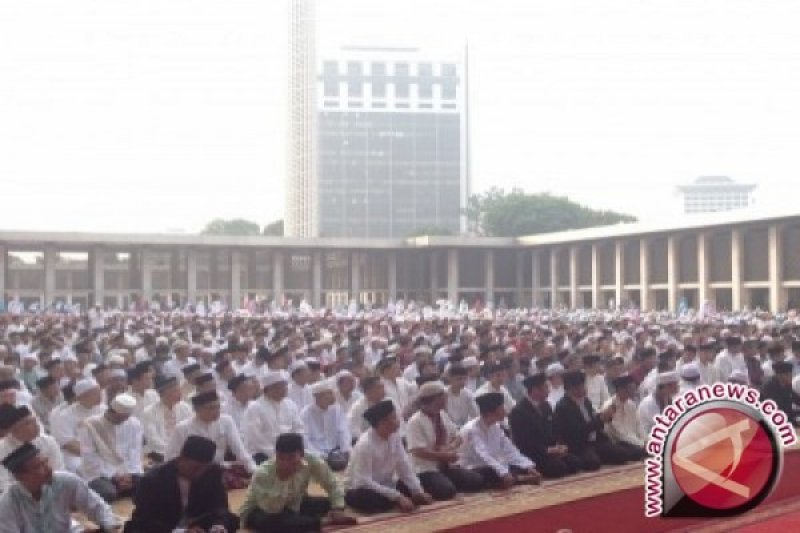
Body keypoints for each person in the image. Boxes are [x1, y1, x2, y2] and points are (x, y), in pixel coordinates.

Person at [239, 433, 357, 532]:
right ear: (276, 455)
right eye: (281, 458)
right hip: (261, 510)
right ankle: (319, 522)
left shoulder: (311, 460)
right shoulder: (263, 473)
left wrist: (337, 508)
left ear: (302, 454)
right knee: (271, 523)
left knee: (328, 503)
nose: (285, 462)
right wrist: (283, 478)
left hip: (294, 503)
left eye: (290, 458)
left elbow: (332, 483)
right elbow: (272, 509)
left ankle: (305, 521)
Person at [124, 435, 239, 533]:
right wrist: (181, 531)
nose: (198, 473)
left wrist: (218, 526)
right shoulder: (153, 479)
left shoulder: (212, 473)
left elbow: (220, 506)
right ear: (181, 459)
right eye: (194, 468)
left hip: (196, 523)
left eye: (203, 469)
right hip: (165, 526)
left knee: (231, 520)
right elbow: (145, 518)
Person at [0, 442, 121, 532]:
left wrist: (109, 525)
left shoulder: (65, 481)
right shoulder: (7, 503)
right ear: (20, 476)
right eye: (38, 467)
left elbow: (97, 507)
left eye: (45, 462)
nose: (47, 468)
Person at [344, 399, 434, 513]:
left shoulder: (394, 436)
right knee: (371, 500)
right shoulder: (365, 445)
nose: (397, 421)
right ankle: (395, 502)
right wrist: (397, 497)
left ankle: (398, 500)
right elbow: (363, 481)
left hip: (386, 485)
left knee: (417, 485)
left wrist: (418, 491)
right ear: (382, 423)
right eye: (394, 418)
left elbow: (404, 466)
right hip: (360, 489)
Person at [406, 381, 484, 500]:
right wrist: (443, 456)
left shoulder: (442, 415)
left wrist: (450, 448)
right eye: (443, 396)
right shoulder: (415, 421)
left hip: (446, 465)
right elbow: (417, 451)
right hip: (425, 469)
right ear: (436, 399)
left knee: (477, 481)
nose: (446, 398)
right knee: (447, 491)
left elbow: (458, 436)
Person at [458, 391, 541, 489]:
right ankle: (521, 479)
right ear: (490, 413)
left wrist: (528, 466)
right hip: (473, 466)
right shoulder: (472, 430)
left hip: (494, 464)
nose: (505, 411)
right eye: (501, 409)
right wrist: (503, 473)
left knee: (520, 466)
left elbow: (510, 449)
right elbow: (485, 456)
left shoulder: (496, 426)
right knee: (485, 477)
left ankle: (519, 477)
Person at [166, 391, 256, 479]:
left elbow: (239, 449)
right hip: (193, 473)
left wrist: (254, 470)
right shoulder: (182, 428)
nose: (216, 411)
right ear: (197, 410)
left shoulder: (226, 421)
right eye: (211, 408)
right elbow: (171, 458)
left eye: (218, 407)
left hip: (219, 468)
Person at [553, 370, 628, 472]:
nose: (584, 389)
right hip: (579, 445)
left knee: (622, 454)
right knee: (593, 463)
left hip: (596, 441)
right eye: (581, 386)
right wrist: (600, 420)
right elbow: (578, 431)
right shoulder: (563, 407)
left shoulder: (586, 401)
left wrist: (605, 417)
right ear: (571, 388)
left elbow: (593, 422)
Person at [509, 373, 579, 479]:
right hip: (533, 454)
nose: (548, 391)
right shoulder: (518, 412)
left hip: (550, 451)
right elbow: (524, 443)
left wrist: (559, 446)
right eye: (546, 388)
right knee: (558, 468)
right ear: (535, 390)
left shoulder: (546, 406)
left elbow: (553, 430)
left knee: (575, 462)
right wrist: (547, 450)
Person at [78, 393, 144, 502]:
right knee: (107, 493)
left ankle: (123, 488)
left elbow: (135, 454)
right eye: (121, 417)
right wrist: (115, 476)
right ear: (112, 411)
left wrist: (128, 475)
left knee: (148, 485)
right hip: (100, 474)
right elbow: (90, 458)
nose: (124, 420)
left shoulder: (134, 424)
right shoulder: (91, 425)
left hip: (127, 472)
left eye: (126, 417)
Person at [243, 371, 304, 464]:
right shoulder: (255, 408)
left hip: (290, 452)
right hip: (263, 453)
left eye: (285, 385)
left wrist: (296, 450)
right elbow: (255, 439)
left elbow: (299, 428)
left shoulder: (290, 404)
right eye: (280, 386)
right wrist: (277, 454)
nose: (285, 389)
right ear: (268, 389)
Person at [0, 405, 64, 493]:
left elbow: (59, 470)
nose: (36, 425)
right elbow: (4, 483)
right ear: (15, 430)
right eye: (28, 423)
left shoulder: (48, 441)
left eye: (35, 420)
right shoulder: (2, 449)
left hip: (52, 490)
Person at [49, 378, 105, 473]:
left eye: (99, 391)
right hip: (77, 457)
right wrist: (94, 454)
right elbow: (69, 444)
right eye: (95, 393)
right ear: (81, 397)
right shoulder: (65, 416)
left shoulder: (104, 410)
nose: (100, 395)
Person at [301, 380, 351, 471]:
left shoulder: (336, 409)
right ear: (318, 397)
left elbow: (343, 431)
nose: (333, 396)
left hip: (336, 451)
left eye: (331, 393)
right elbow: (305, 439)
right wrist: (320, 456)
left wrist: (345, 449)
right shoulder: (306, 413)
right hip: (317, 452)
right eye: (329, 393)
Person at [141, 375, 193, 463]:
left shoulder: (186, 408)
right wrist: (172, 452)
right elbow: (153, 439)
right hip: (159, 453)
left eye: (179, 389)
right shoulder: (149, 412)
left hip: (184, 452)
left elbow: (191, 431)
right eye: (175, 391)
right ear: (163, 393)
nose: (180, 393)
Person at [602, 375, 647, 461]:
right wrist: (641, 443)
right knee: (631, 452)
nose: (634, 391)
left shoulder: (631, 405)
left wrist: (646, 440)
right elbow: (618, 433)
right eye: (631, 388)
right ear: (621, 390)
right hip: (617, 441)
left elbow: (638, 426)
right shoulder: (609, 406)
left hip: (633, 440)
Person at [637, 371, 680, 436]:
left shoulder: (669, 398)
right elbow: (661, 425)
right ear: (666, 387)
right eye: (675, 385)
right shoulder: (648, 404)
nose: (678, 387)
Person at [761, 361, 799, 426]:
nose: (790, 377)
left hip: (786, 416)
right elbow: (779, 409)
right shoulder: (769, 387)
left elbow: (796, 399)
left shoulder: (787, 385)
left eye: (790, 374)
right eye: (787, 375)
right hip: (772, 420)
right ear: (778, 375)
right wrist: (795, 419)